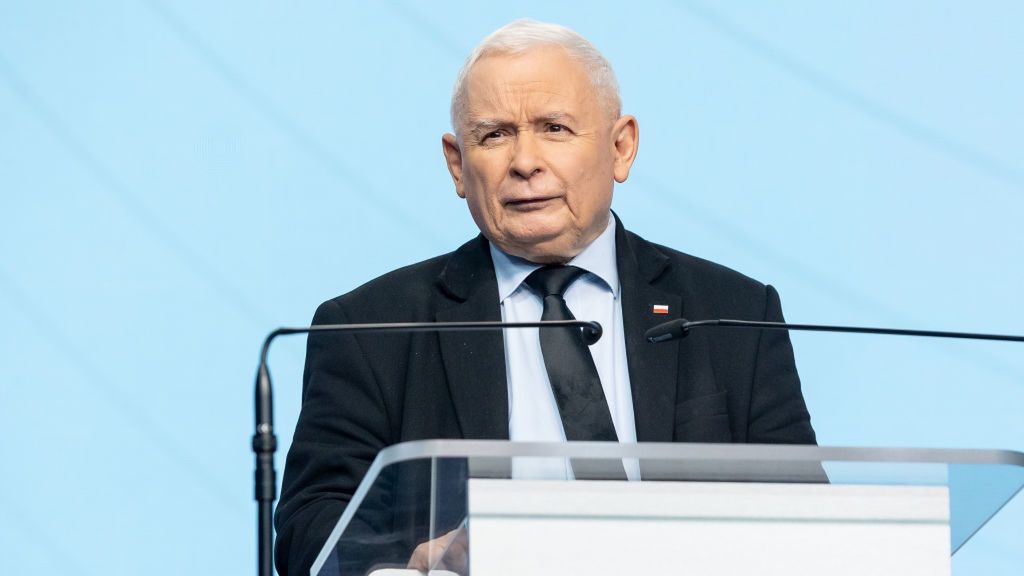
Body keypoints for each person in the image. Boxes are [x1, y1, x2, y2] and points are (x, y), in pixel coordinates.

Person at [275, 19, 816, 576]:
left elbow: (813, 524)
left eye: (554, 128)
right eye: (494, 135)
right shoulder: (369, 329)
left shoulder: (734, 314)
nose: (525, 162)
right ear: (458, 164)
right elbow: (307, 532)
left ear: (620, 147)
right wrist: (426, 557)